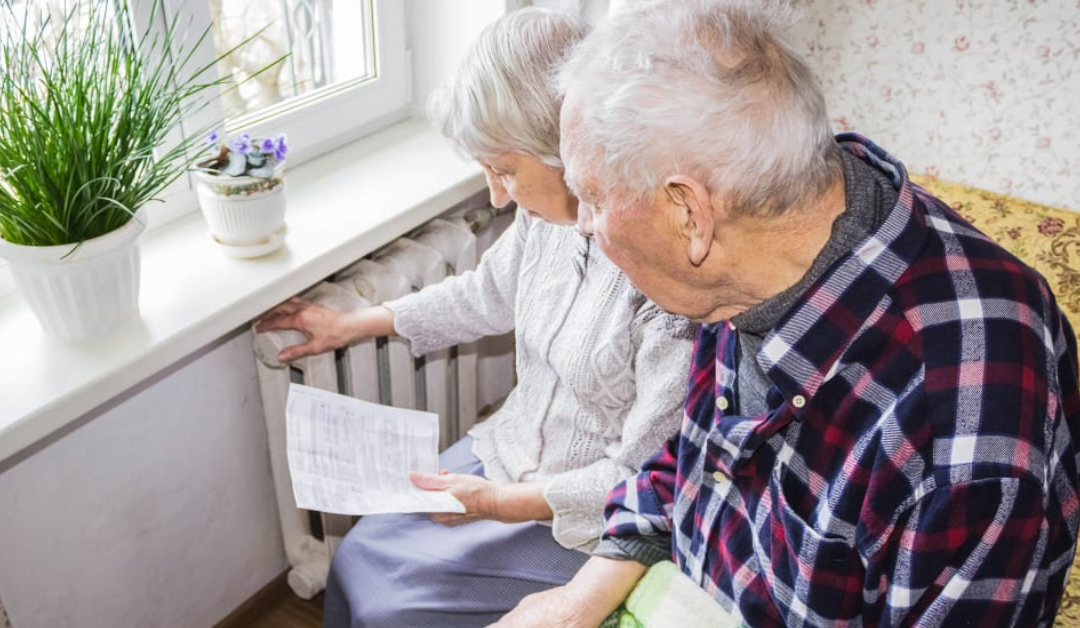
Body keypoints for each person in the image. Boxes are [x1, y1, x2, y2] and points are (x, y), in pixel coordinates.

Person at [491, 1, 1080, 627]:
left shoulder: (964, 417)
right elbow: (690, 466)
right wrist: (577, 600)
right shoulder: (753, 255)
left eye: (591, 199)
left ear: (688, 212)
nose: (581, 226)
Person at [255, 8, 695, 628]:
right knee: (356, 554)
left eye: (505, 170)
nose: (494, 195)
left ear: (568, 148)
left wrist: (499, 504)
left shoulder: (668, 283)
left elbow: (643, 477)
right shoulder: (541, 222)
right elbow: (484, 293)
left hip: (580, 520)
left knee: (393, 611)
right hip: (506, 452)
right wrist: (355, 323)